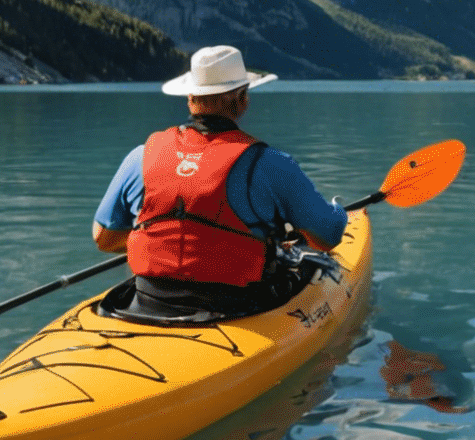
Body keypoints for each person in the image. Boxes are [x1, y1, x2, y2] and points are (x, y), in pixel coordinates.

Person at [92, 45, 347, 320]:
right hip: (237, 307)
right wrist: (338, 211)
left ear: (190, 99)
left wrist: (168, 241)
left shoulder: (140, 156)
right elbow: (328, 237)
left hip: (149, 302)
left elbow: (103, 238)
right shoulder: (272, 163)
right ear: (242, 99)